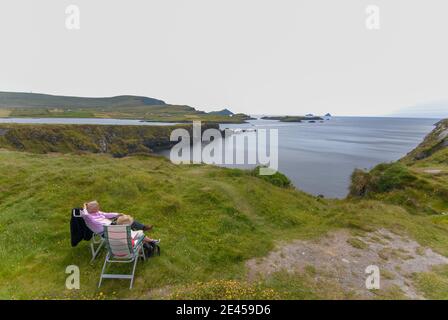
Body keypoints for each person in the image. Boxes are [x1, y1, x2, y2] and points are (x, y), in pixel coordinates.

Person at [81, 200, 159, 244]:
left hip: (111, 226)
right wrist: (85, 206)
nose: (98, 209)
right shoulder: (88, 217)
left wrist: (118, 214)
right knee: (128, 227)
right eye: (96, 208)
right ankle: (149, 240)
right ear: (90, 209)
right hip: (106, 232)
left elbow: (107, 214)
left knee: (126, 219)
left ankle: (143, 229)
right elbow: (85, 214)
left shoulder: (96, 212)